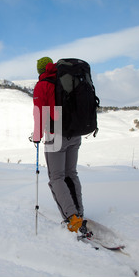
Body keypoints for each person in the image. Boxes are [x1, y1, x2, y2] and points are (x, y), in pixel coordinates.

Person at [33, 57, 86, 235]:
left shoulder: (43, 85)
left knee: (57, 177)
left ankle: (72, 218)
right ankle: (79, 212)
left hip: (56, 134)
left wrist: (37, 136)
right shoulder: (67, 79)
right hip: (75, 132)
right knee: (71, 174)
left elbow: (40, 113)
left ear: (40, 70)